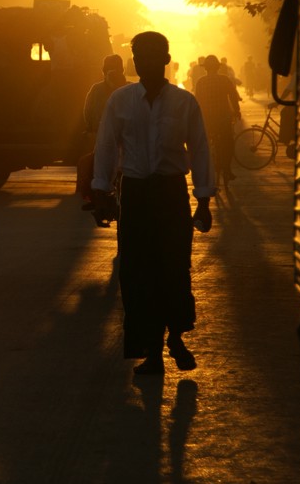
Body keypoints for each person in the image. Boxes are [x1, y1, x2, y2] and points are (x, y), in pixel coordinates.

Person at [91, 31, 215, 376]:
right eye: (138, 55)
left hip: (171, 194)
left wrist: (203, 200)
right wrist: (100, 192)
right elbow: (105, 147)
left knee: (174, 268)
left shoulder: (184, 102)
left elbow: (201, 149)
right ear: (133, 61)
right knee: (136, 273)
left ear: (166, 59)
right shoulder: (120, 100)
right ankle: (153, 354)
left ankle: (175, 337)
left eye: (152, 54)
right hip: (136, 194)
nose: (144, 61)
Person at [77, 54, 127, 200]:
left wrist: (90, 128)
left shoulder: (97, 90)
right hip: (111, 139)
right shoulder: (130, 88)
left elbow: (88, 112)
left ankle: (93, 196)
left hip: (108, 138)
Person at [195, 54, 242, 183]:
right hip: (223, 118)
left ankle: (206, 168)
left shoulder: (201, 82)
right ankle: (227, 169)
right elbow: (233, 96)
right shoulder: (224, 80)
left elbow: (197, 100)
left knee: (204, 145)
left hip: (207, 119)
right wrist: (237, 111)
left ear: (205, 68)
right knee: (228, 143)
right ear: (217, 67)